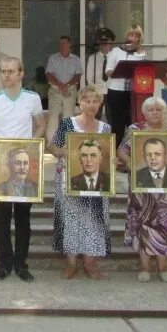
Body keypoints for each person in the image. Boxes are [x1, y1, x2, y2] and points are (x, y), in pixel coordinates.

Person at [0, 56, 45, 282]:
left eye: (10, 71)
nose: (6, 75)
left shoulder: (33, 98)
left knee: (22, 217)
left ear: (21, 73)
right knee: (1, 217)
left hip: (23, 164)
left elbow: (41, 126)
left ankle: (21, 264)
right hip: (0, 164)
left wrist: (30, 146)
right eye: (3, 71)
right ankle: (4, 264)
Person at [117, 96, 167, 283]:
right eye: (151, 110)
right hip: (142, 188)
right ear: (144, 112)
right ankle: (144, 267)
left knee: (166, 225)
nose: (155, 113)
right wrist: (129, 162)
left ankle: (163, 268)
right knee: (143, 225)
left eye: (159, 109)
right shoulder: (135, 130)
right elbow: (121, 151)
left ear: (165, 112)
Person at [48, 85, 112, 280]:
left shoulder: (105, 128)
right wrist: (66, 152)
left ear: (100, 104)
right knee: (71, 220)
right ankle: (71, 263)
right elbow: (52, 147)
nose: (91, 105)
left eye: (95, 101)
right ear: (79, 103)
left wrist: (112, 161)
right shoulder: (68, 124)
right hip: (70, 178)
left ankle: (91, 264)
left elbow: (108, 155)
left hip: (96, 182)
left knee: (93, 221)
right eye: (87, 101)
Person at [105, 25, 147, 146]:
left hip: (134, 93)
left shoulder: (142, 52)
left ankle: (131, 153)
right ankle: (116, 153)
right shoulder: (116, 51)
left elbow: (144, 71)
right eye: (131, 35)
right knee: (117, 124)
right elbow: (108, 71)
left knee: (132, 122)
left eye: (137, 35)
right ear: (127, 36)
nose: (133, 38)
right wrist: (119, 70)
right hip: (116, 92)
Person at [45, 35, 83, 147]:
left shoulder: (75, 59)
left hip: (70, 90)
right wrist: (59, 84)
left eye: (64, 43)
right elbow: (48, 74)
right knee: (53, 117)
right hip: (55, 90)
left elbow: (78, 75)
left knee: (68, 117)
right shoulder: (53, 58)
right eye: (60, 43)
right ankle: (51, 144)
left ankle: (67, 144)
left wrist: (67, 85)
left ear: (69, 45)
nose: (61, 45)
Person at [83, 28, 115, 121]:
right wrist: (95, 90)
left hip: (111, 91)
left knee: (112, 118)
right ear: (98, 43)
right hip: (97, 92)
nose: (104, 45)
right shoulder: (93, 58)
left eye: (107, 42)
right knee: (94, 118)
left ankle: (112, 135)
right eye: (102, 42)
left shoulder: (115, 58)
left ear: (111, 43)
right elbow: (89, 78)